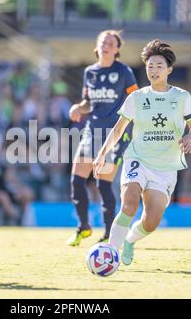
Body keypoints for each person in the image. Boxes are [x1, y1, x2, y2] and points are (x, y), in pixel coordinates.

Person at [93, 39, 191, 266]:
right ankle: (110, 253)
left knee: (151, 221)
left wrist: (188, 138)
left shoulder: (182, 98)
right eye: (150, 66)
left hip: (166, 167)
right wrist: (103, 153)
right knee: (129, 203)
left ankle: (130, 240)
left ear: (169, 69)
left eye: (159, 66)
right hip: (138, 159)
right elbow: (119, 128)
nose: (154, 70)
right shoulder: (137, 98)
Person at [67, 30, 139, 246]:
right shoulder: (90, 72)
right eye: (102, 42)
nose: (106, 45)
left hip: (115, 133)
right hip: (92, 130)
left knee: (103, 184)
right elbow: (89, 102)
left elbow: (135, 98)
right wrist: (79, 107)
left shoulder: (124, 71)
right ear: (96, 47)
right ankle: (83, 227)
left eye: (110, 42)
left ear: (117, 49)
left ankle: (109, 234)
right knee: (76, 179)